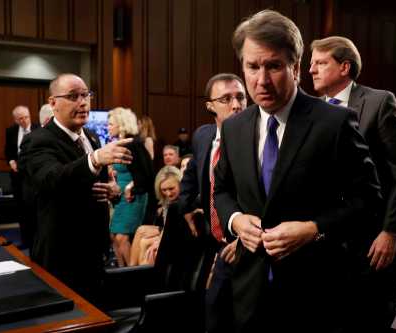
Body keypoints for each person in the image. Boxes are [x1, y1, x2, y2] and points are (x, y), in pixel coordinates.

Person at [214, 10, 381, 332]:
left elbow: (369, 200)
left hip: (317, 293)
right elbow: (222, 190)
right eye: (252, 67)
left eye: (274, 66)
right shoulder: (234, 127)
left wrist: (313, 228)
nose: (261, 80)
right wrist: (235, 220)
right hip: (249, 290)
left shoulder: (333, 123)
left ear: (295, 67)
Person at [309, 35, 396, 332]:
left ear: (344, 67)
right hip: (329, 240)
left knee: (370, 318)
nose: (311, 70)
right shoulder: (313, 110)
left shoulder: (379, 102)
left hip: (374, 238)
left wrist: (392, 230)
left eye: (320, 62)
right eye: (311, 63)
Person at [22, 73, 132, 303]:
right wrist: (95, 159)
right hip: (62, 253)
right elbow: (52, 178)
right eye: (73, 96)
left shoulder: (90, 136)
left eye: (86, 95)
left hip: (94, 251)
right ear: (53, 103)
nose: (83, 102)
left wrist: (114, 191)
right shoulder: (38, 140)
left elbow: (97, 184)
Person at [178, 73, 246, 333]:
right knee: (213, 311)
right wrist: (186, 208)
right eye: (226, 99)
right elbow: (191, 175)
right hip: (215, 240)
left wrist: (244, 237)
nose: (236, 104)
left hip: (249, 241)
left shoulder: (257, 140)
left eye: (240, 97)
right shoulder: (202, 136)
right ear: (210, 106)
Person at [108, 107, 154, 267]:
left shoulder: (134, 144)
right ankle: (121, 273)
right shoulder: (119, 144)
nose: (108, 126)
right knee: (114, 237)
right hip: (119, 198)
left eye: (111, 123)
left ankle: (130, 274)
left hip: (133, 197)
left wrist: (130, 188)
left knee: (122, 237)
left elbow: (147, 174)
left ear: (121, 124)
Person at [129, 165, 182, 266]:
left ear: (180, 184)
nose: (168, 193)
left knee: (147, 245)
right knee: (143, 239)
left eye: (171, 188)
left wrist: (159, 243)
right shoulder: (167, 202)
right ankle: (132, 271)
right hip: (168, 234)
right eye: (164, 190)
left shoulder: (184, 201)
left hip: (179, 239)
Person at [4, 105, 40, 248]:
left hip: (35, 178)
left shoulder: (39, 129)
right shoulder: (11, 131)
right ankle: (26, 242)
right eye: (20, 119)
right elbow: (8, 151)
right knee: (22, 212)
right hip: (18, 179)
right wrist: (11, 161)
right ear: (15, 120)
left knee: (35, 212)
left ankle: (37, 241)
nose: (24, 121)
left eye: (26, 117)